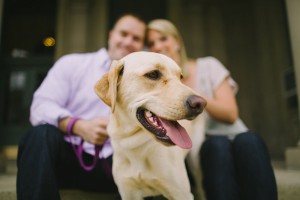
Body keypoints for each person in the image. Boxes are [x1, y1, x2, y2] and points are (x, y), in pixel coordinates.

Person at [17, 14, 146, 200]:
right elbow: (40, 106)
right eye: (123, 34)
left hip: (120, 166)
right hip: (70, 159)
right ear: (111, 35)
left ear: (142, 45)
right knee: (40, 134)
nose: (128, 42)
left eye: (136, 38)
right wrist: (78, 126)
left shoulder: (147, 79)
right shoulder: (72, 63)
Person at [146, 19, 278, 200]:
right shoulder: (157, 85)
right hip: (204, 149)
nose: (158, 46)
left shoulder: (208, 66)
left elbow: (231, 115)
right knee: (216, 146)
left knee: (250, 140)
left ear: (177, 41)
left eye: (163, 39)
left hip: (237, 138)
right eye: (151, 43)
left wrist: (189, 94)